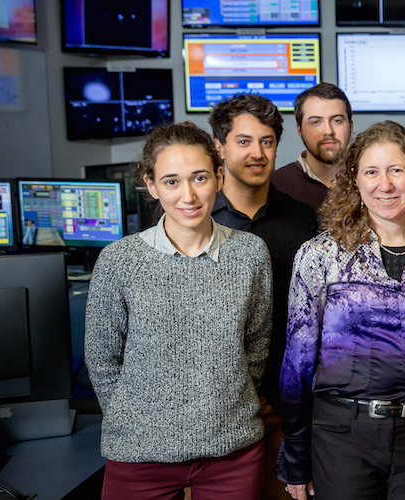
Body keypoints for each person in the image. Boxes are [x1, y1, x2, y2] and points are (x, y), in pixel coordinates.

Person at [85, 122, 272, 499]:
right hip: (139, 455)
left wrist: (225, 404)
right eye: (171, 181)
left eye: (199, 177)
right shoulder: (120, 260)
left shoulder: (250, 253)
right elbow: (101, 358)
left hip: (232, 452)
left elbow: (256, 346)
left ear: (219, 177)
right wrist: (132, 420)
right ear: (151, 185)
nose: (188, 195)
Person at [277, 121, 405, 500]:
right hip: (342, 436)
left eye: (396, 169)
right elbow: (297, 363)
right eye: (372, 172)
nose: (385, 184)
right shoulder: (320, 255)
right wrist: (296, 453)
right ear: (355, 181)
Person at [208, 92, 319, 499]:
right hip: (217, 409)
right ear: (218, 147)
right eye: (243, 141)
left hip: (287, 408)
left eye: (267, 141)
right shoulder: (195, 221)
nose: (257, 153)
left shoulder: (306, 221)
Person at [273, 83, 354, 210]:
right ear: (299, 130)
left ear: (351, 126)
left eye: (337, 120)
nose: (328, 131)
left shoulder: (371, 182)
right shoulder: (276, 185)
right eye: (316, 122)